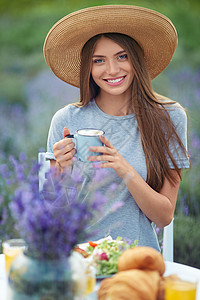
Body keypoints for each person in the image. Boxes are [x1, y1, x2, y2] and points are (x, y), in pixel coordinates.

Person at [43, 5, 190, 250]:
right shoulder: (66, 119)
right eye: (98, 60)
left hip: (138, 260)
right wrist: (60, 170)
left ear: (137, 60)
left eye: (122, 56)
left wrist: (124, 169)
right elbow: (53, 214)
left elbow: (164, 217)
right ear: (88, 68)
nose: (112, 70)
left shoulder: (170, 117)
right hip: (80, 259)